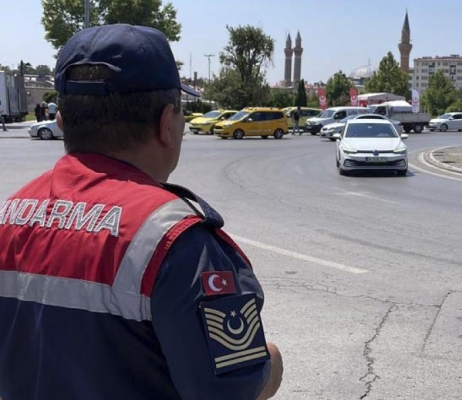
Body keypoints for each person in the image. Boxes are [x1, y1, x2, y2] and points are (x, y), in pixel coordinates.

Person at [0, 24, 283, 400]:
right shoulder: (175, 242)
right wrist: (273, 363)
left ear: (63, 123)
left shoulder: (9, 216)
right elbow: (235, 389)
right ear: (167, 125)